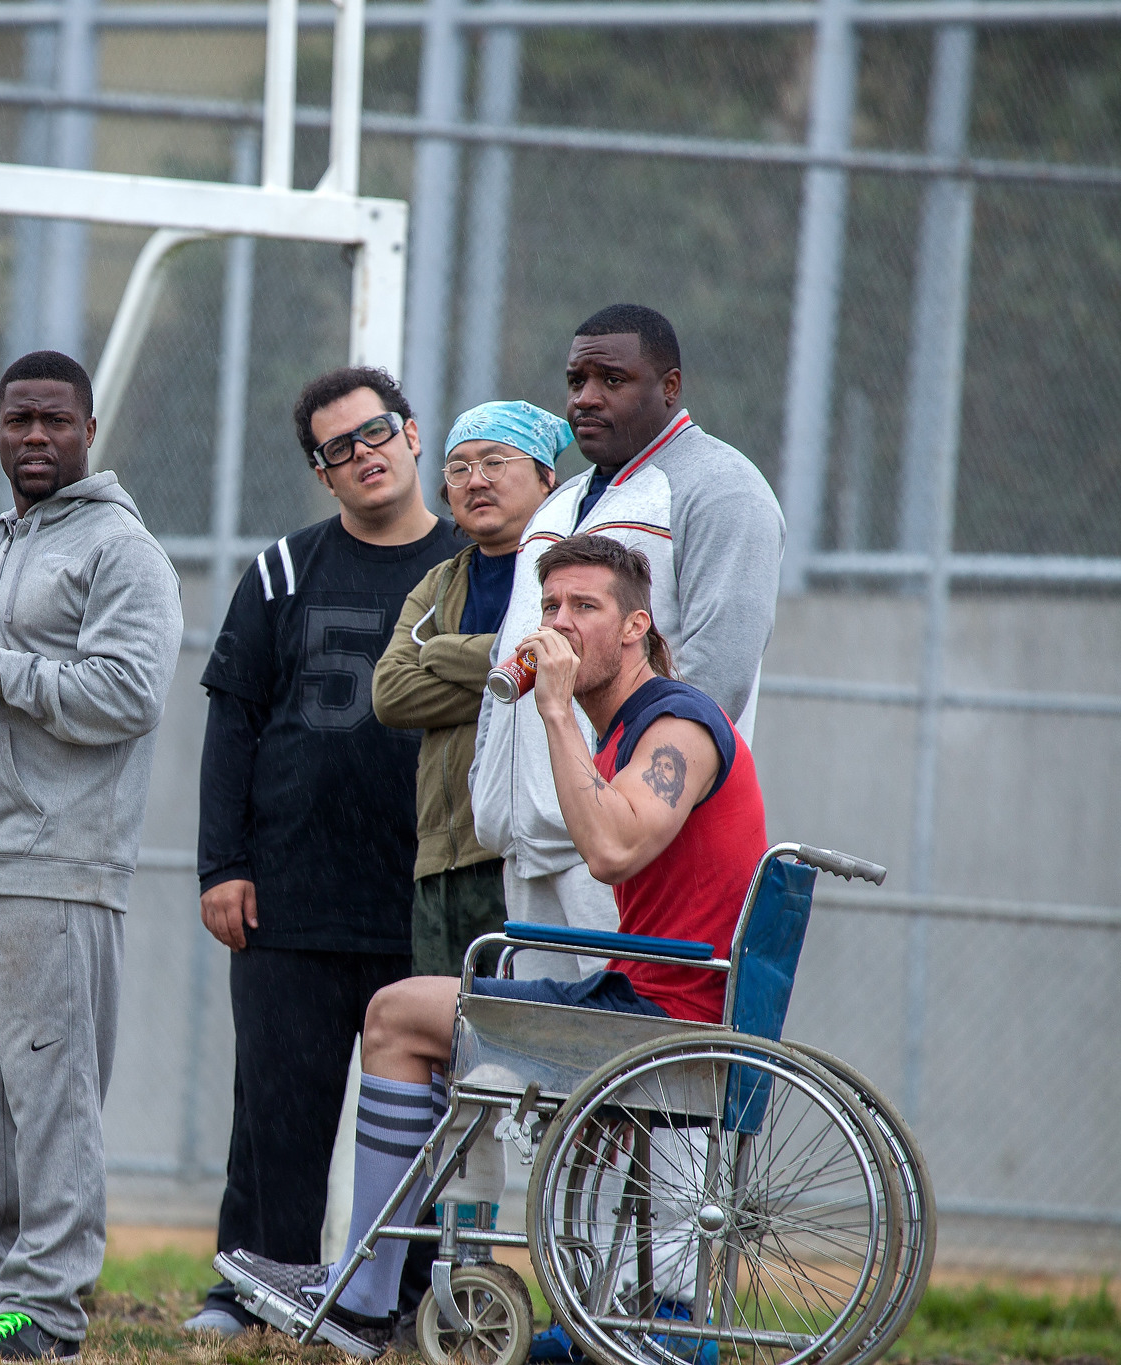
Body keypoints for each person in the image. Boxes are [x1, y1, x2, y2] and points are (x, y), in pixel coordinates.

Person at [221, 533, 770, 1349]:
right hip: (652, 997)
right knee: (426, 1003)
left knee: (398, 1015)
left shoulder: (677, 723)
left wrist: (552, 707)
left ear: (634, 628)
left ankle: (363, 1296)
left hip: (662, 1014)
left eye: (584, 607)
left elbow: (612, 847)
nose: (559, 623)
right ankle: (415, 1290)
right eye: (549, 606)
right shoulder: (630, 726)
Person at [0, 350, 183, 1361]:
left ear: (88, 431)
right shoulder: (13, 537)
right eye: (18, 420)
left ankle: (47, 1313)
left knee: (52, 1102)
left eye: (55, 420)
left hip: (58, 866)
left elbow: (130, 697)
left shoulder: (119, 548)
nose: (35, 437)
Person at [184, 366, 467, 1337]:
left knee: (430, 1118)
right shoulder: (282, 570)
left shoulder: (477, 569)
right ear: (320, 472)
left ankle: (405, 1299)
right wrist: (221, 866)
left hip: (423, 899)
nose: (362, 454)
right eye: (336, 448)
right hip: (291, 894)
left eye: (374, 431)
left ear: (413, 433)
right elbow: (232, 724)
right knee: (275, 1114)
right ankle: (246, 1291)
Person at [469, 305, 782, 979]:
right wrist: (489, 786)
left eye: (611, 379)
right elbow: (512, 652)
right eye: (577, 378)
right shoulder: (563, 501)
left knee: (619, 1071)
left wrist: (625, 801)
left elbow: (712, 677)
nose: (585, 396)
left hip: (625, 848)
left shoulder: (725, 489)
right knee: (529, 1071)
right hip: (532, 844)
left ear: (669, 387)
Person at [373, 401, 564, 979]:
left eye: (495, 462)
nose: (475, 481)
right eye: (458, 468)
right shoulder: (441, 580)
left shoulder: (566, 573)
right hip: (439, 858)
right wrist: (509, 677)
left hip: (530, 854)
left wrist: (435, 650)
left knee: (514, 1048)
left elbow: (566, 666)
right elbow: (389, 693)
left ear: (545, 478)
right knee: (439, 1044)